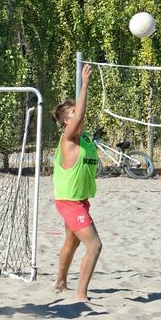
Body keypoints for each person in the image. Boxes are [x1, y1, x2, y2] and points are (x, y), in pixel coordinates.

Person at [52, 64, 102, 302]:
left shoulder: (86, 139)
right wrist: (85, 84)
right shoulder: (68, 138)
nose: (77, 113)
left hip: (79, 200)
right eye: (71, 112)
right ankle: (81, 294)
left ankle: (60, 281)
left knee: (71, 242)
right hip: (70, 202)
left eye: (75, 109)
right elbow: (80, 115)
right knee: (95, 246)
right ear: (65, 122)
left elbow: (82, 115)